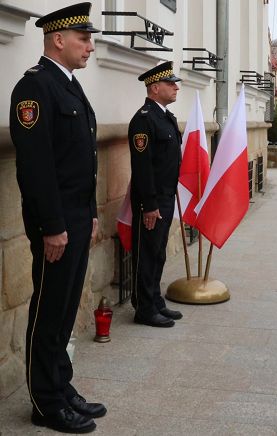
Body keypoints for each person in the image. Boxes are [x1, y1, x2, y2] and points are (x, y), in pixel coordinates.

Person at [9, 3, 105, 433]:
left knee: (65, 310)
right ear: (58, 40)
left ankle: (61, 386)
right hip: (57, 225)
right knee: (49, 311)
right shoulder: (34, 89)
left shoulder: (69, 85)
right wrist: (52, 226)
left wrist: (90, 216)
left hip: (77, 220)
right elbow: (36, 167)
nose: (90, 47)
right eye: (84, 39)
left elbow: (80, 158)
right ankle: (45, 403)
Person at [129, 61, 183, 328]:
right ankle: (144, 307)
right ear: (154, 88)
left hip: (165, 196)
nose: (176, 87)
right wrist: (149, 205)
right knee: (147, 253)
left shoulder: (165, 117)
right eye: (170, 83)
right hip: (151, 201)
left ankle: (155, 300)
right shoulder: (143, 120)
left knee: (159, 252)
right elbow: (142, 168)